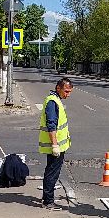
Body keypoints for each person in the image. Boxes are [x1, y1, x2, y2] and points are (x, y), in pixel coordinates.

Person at [38, 77, 73, 210]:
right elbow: (51, 125)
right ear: (58, 88)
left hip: (59, 145)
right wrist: (54, 145)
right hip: (55, 146)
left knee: (52, 171)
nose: (67, 94)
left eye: (70, 92)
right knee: (52, 172)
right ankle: (48, 201)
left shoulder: (56, 99)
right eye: (66, 91)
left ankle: (47, 197)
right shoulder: (52, 102)